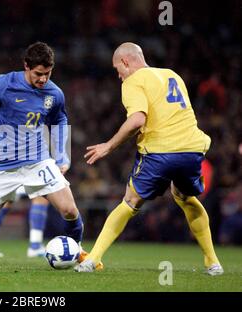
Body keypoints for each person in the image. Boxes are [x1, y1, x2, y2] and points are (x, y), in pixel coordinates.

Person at [75, 42, 223, 276]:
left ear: (125, 62)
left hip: (161, 150)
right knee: (185, 197)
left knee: (130, 201)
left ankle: (92, 259)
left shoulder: (133, 81)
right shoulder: (171, 74)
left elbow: (137, 121)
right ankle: (213, 263)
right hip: (192, 149)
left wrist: (109, 146)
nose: (119, 76)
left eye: (117, 70)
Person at [0, 41, 88, 265]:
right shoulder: (4, 84)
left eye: (48, 74)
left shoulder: (54, 93)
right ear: (26, 67)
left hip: (38, 161)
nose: (43, 79)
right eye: (39, 74)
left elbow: (60, 119)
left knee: (70, 210)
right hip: (4, 165)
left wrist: (62, 155)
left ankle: (78, 252)